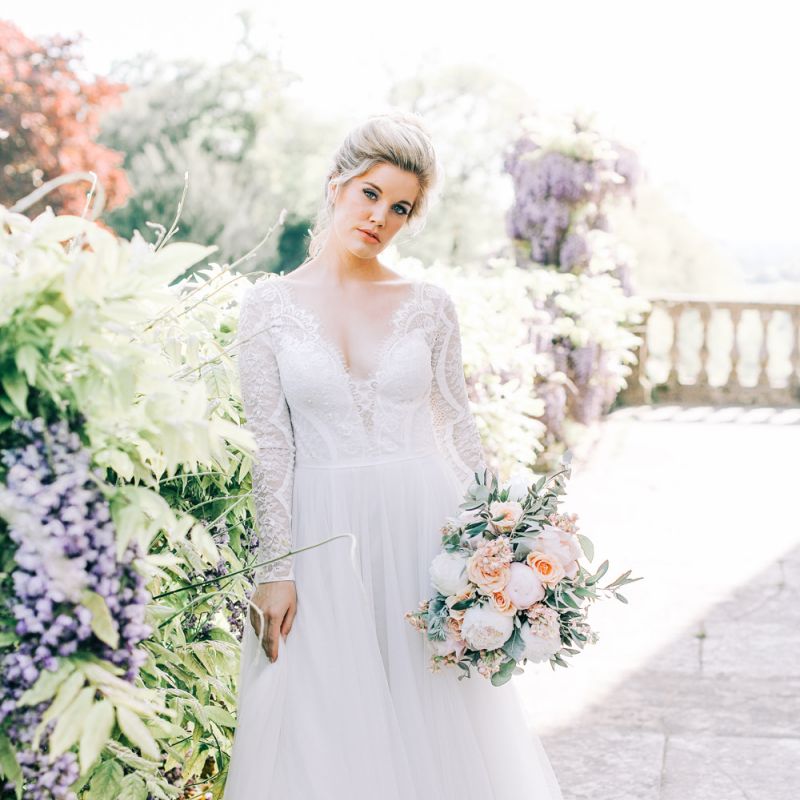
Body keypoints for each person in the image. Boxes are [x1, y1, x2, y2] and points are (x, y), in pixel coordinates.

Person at [224, 110, 564, 799]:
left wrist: (504, 541)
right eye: (370, 193)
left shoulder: (428, 304)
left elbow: (458, 427)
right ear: (335, 185)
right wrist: (274, 568)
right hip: (324, 539)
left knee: (435, 723)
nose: (380, 216)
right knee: (319, 720)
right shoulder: (267, 307)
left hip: (423, 531)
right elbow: (271, 446)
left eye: (401, 207)